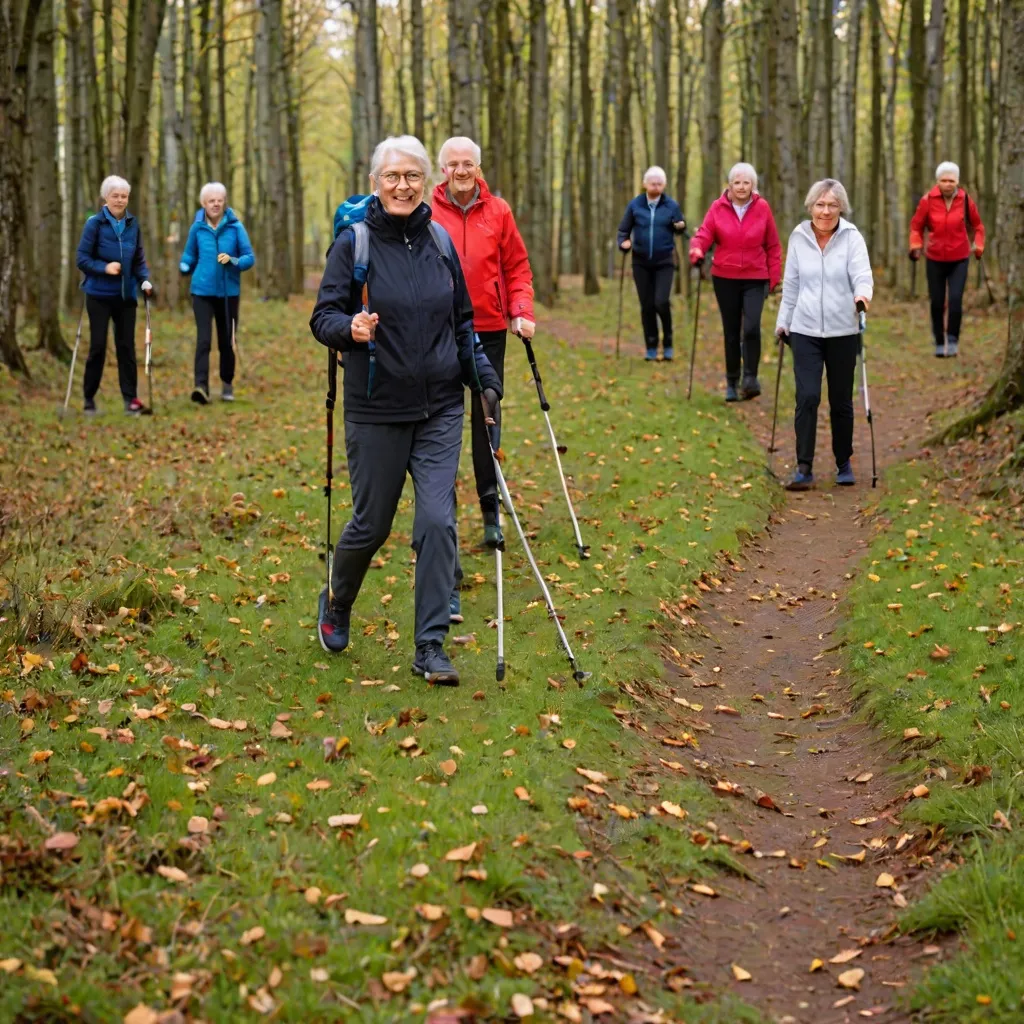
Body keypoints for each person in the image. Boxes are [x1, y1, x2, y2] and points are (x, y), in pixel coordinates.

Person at [310, 135, 502, 686]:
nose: (402, 186)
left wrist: (484, 379)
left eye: (412, 176)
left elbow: (462, 323)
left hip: (440, 406)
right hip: (375, 408)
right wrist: (349, 327)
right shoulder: (355, 244)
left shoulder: (442, 241)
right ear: (376, 182)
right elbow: (323, 316)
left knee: (439, 522)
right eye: (392, 177)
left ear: (427, 182)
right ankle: (338, 599)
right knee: (371, 525)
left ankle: (431, 647)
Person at [431, 135, 535, 619]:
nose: (460, 170)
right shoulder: (426, 209)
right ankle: (443, 522)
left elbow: (517, 265)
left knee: (486, 418)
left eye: (467, 162)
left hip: (490, 326)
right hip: (439, 330)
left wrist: (521, 309)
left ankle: (491, 513)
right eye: (452, 164)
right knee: (442, 426)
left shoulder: (499, 211)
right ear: (442, 168)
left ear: (478, 165)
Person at [775, 179, 873, 491]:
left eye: (832, 205)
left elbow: (862, 274)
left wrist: (862, 296)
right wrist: (783, 322)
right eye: (820, 204)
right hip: (804, 330)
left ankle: (843, 461)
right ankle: (804, 467)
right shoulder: (799, 237)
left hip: (843, 329)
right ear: (810, 207)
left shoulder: (852, 237)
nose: (825, 211)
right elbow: (790, 285)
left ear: (841, 207)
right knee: (807, 396)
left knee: (841, 400)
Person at [690, 163, 782, 401]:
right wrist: (697, 250)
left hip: (755, 276)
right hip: (725, 277)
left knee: (751, 327)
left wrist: (774, 277)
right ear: (729, 185)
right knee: (731, 331)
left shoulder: (762, 208)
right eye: (737, 183)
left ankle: (750, 378)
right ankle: (732, 380)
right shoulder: (717, 208)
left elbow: (772, 245)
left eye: (746, 183)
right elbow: (704, 234)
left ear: (753, 185)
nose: (741, 187)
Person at [75, 175, 153, 415]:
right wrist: (104, 267)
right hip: (98, 294)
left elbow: (138, 258)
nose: (120, 200)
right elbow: (82, 259)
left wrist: (145, 279)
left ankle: (131, 400)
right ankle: (89, 399)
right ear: (105, 198)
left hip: (126, 296)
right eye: (115, 196)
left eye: (124, 196)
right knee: (98, 346)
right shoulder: (94, 224)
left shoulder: (133, 224)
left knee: (126, 348)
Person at [179, 182, 255, 403]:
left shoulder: (235, 227)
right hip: (201, 292)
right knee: (203, 340)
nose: (216, 204)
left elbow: (249, 258)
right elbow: (189, 255)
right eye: (211, 201)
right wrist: (184, 266)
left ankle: (227, 384)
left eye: (219, 200)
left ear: (224, 202)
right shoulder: (197, 228)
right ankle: (200, 386)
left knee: (226, 340)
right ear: (204, 203)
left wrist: (233, 261)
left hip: (228, 293)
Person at [909, 161, 985, 358]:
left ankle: (952, 339)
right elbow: (916, 227)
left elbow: (978, 226)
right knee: (936, 301)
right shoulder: (928, 200)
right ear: (938, 181)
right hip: (934, 258)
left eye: (951, 180)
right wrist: (916, 246)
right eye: (943, 180)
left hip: (959, 258)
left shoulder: (966, 200)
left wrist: (979, 245)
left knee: (955, 300)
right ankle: (939, 340)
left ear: (957, 182)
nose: (948, 184)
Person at [616, 167, 687, 361]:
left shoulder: (671, 205)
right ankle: (651, 345)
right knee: (647, 305)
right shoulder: (635, 205)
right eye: (652, 183)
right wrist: (624, 243)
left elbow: (680, 226)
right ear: (645, 184)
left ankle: (669, 342)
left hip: (665, 261)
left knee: (661, 302)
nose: (656, 186)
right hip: (641, 262)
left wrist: (680, 226)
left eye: (659, 183)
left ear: (664, 185)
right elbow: (623, 231)